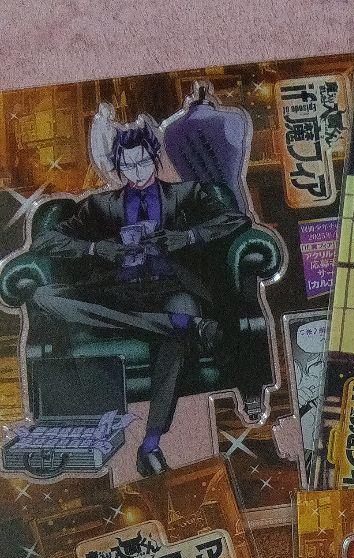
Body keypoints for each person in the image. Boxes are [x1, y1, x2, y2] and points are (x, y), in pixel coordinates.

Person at [27, 118, 251, 476]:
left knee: (179, 320)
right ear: (118, 167)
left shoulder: (185, 194)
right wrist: (96, 248)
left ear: (155, 157)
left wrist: (187, 237)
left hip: (171, 288)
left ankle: (150, 444)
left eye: (143, 161)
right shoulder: (102, 206)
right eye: (128, 165)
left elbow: (236, 219)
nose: (137, 171)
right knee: (43, 296)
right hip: (119, 292)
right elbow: (46, 241)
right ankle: (183, 325)